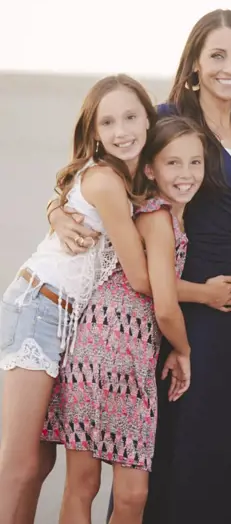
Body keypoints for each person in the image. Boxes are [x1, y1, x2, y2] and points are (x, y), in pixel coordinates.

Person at [49, 9, 231, 524]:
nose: (230, 68)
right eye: (216, 55)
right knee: (175, 441)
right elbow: (104, 167)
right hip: (179, 294)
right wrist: (57, 211)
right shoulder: (169, 117)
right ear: (194, 63)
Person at [0, 74, 158, 524]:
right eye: (108, 122)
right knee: (21, 462)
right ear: (94, 133)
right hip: (38, 307)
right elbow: (141, 278)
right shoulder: (107, 182)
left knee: (42, 462)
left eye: (130, 116)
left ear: (150, 118)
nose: (122, 130)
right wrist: (202, 292)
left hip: (71, 321)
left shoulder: (128, 180)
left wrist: (54, 210)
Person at [43, 115, 205, 524]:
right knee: (121, 492)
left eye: (195, 162)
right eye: (173, 163)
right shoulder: (157, 217)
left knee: (91, 486)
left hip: (98, 350)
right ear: (150, 169)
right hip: (115, 352)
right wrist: (183, 352)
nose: (186, 174)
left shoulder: (156, 214)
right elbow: (165, 305)